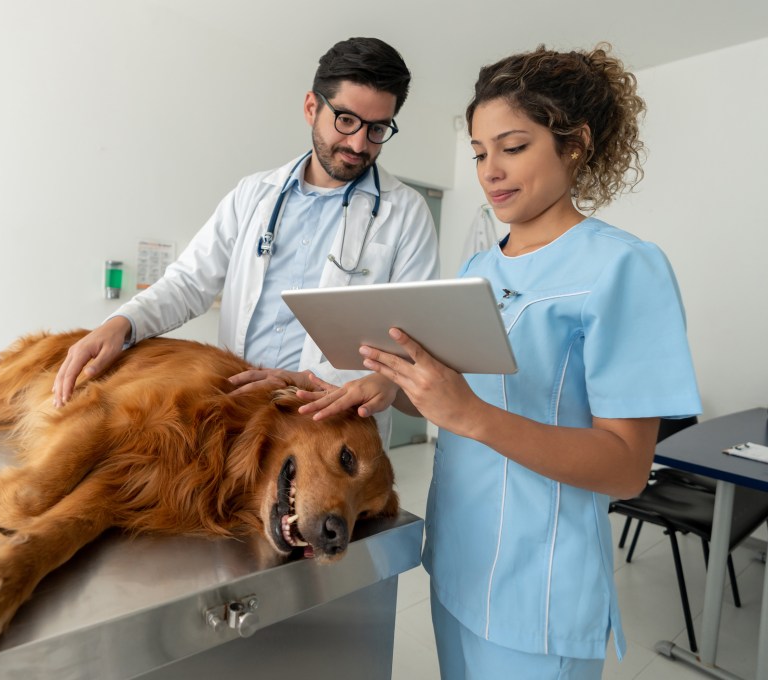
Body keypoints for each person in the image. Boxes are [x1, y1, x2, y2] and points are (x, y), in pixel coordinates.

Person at [298, 44, 701, 678]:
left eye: (513, 148)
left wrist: (471, 415)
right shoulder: (479, 270)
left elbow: (626, 467)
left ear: (574, 144)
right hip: (458, 560)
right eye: (481, 153)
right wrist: (388, 386)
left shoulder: (624, 267)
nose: (490, 171)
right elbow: (452, 400)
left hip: (539, 587)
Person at [52, 37, 440, 442]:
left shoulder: (405, 212)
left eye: (377, 129)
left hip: (332, 427)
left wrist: (388, 384)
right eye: (346, 120)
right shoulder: (253, 194)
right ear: (312, 108)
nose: (359, 144)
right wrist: (122, 324)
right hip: (238, 411)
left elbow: (415, 344)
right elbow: (188, 282)